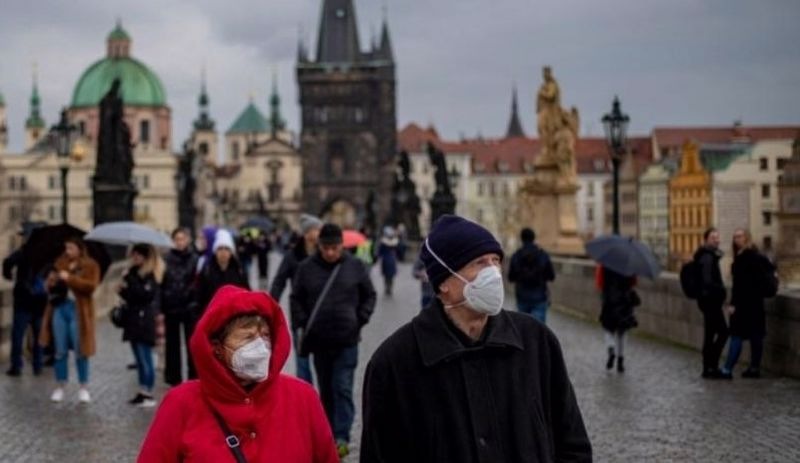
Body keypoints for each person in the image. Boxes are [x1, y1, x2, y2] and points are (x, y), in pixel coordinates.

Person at [360, 215, 591, 462]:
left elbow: (572, 443)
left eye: (496, 261)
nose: (493, 273)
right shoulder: (394, 363)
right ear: (443, 282)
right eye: (479, 263)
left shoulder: (537, 342)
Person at [137, 285, 339, 462]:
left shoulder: (302, 397)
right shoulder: (181, 403)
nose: (260, 346)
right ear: (217, 347)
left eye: (265, 336)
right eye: (247, 337)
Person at [291, 223, 377, 458]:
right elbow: (295, 298)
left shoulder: (355, 266)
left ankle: (342, 436)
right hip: (319, 342)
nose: (330, 252)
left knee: (343, 387)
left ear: (342, 245)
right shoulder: (306, 268)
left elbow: (369, 295)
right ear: (319, 246)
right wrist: (301, 322)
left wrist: (359, 319)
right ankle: (327, 433)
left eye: (335, 247)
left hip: (347, 339)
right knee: (326, 390)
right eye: (326, 247)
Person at [39, 237, 101, 403]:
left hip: (78, 310)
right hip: (59, 308)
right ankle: (60, 385)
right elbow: (49, 288)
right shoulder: (59, 263)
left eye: (71, 248)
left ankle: (83, 386)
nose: (68, 251)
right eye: (66, 248)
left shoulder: (90, 265)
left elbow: (91, 287)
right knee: (60, 350)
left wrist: (71, 279)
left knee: (81, 350)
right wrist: (51, 281)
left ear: (80, 249)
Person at [269, 213, 323, 384]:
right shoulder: (293, 256)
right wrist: (270, 305)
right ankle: (306, 398)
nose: (316, 233)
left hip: (323, 314)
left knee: (323, 365)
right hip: (300, 315)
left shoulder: (326, 253)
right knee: (303, 362)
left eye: (318, 229)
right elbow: (279, 281)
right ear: (306, 233)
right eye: (314, 230)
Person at [721, 229, 774, 379]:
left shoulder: (743, 258)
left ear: (747, 238)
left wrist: (732, 304)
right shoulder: (758, 256)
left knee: (736, 336)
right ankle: (754, 368)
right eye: (735, 236)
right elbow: (771, 270)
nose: (736, 239)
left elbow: (739, 286)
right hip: (756, 303)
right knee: (756, 336)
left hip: (743, 305)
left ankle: (727, 369)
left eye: (740, 236)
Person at [119, 244, 164, 407]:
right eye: (134, 255)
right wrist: (122, 289)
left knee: (145, 358)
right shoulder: (131, 273)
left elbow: (144, 295)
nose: (135, 258)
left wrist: (129, 281)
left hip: (144, 320)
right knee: (138, 358)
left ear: (145, 258)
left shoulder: (150, 275)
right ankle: (142, 389)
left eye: (138, 255)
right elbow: (130, 296)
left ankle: (149, 392)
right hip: (132, 319)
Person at [3, 225, 48, 377]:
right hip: (40, 301)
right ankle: (38, 365)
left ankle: (16, 366)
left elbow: (7, 263)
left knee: (18, 335)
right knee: (38, 335)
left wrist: (9, 276)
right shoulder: (45, 254)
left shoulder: (22, 252)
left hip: (23, 300)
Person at [161, 228, 200, 386]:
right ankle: (173, 378)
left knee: (192, 344)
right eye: (177, 239)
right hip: (171, 306)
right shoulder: (165, 259)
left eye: (182, 239)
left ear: (188, 240)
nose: (179, 242)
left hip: (189, 307)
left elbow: (198, 283)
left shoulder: (195, 259)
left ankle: (193, 376)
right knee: (172, 345)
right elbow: (161, 282)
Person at [694, 227, 728, 379]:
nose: (717, 240)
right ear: (706, 239)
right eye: (713, 237)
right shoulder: (707, 257)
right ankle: (711, 366)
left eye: (717, 237)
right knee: (723, 332)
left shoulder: (708, 255)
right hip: (710, 301)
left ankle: (708, 367)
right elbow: (707, 280)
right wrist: (721, 289)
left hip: (707, 300)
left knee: (710, 334)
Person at [508, 227, 555, 323]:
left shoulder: (516, 256)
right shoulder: (543, 255)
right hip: (540, 297)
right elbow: (551, 276)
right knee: (538, 329)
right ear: (534, 238)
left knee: (523, 328)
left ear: (522, 238)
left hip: (522, 296)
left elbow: (510, 277)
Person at [196, 229, 250, 314]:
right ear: (215, 251)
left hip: (233, 315)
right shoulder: (207, 270)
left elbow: (246, 293)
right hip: (212, 315)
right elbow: (200, 297)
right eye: (220, 248)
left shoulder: (239, 270)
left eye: (226, 248)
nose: (223, 252)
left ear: (231, 252)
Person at [596, 265, 638, 373]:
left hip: (609, 302)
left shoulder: (604, 265)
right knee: (622, 332)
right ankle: (620, 361)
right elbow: (634, 282)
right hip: (625, 302)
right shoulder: (629, 265)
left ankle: (611, 348)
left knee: (608, 328)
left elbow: (599, 283)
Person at [375, 226, 399, 296]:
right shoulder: (395, 242)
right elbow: (398, 250)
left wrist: (377, 257)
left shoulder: (383, 242)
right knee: (391, 276)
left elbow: (380, 252)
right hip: (392, 260)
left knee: (386, 275)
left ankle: (387, 287)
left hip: (385, 260)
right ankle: (389, 287)